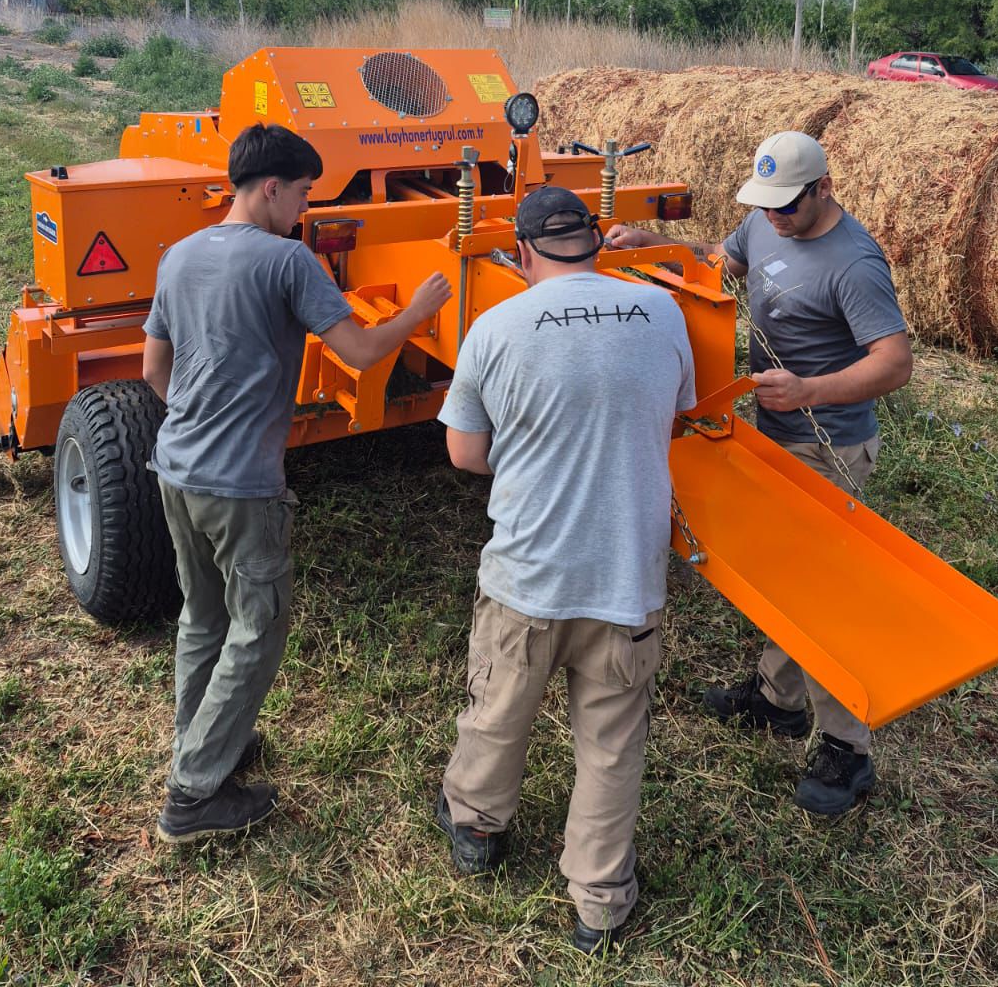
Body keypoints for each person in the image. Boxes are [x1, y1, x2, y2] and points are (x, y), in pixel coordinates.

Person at [143, 122, 451, 844]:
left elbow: (155, 370)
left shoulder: (178, 256)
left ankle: (206, 746)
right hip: (242, 485)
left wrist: (197, 420)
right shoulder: (288, 263)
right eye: (306, 193)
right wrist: (419, 313)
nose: (308, 208)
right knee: (259, 631)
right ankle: (191, 797)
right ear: (272, 187)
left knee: (203, 618)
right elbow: (365, 351)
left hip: (176, 470)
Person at [607, 130, 911, 816]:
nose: (774, 218)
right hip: (768, 431)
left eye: (788, 208)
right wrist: (655, 247)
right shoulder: (763, 219)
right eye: (766, 205)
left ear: (824, 189)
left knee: (821, 591)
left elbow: (894, 363)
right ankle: (778, 701)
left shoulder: (854, 263)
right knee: (780, 570)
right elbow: (720, 264)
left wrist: (809, 391)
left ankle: (849, 749)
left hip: (827, 442)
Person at [435, 186, 696, 954]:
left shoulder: (495, 327)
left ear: (520, 252)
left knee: (498, 709)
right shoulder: (662, 314)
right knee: (612, 745)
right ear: (595, 241)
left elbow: (465, 453)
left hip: (529, 574)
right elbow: (676, 416)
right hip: (628, 579)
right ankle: (600, 903)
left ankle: (478, 829)